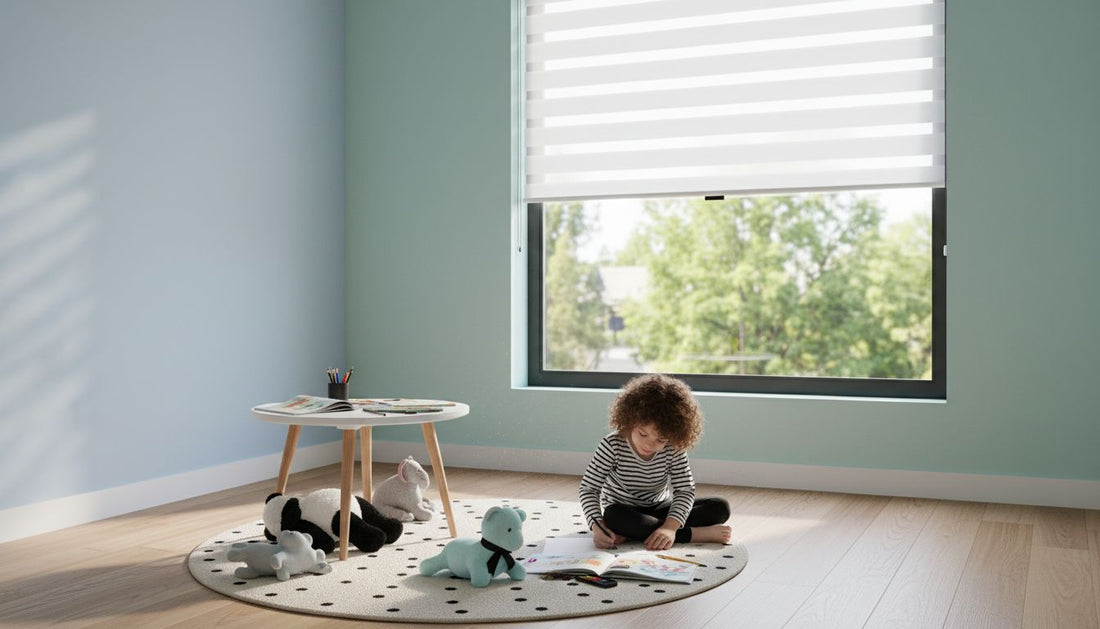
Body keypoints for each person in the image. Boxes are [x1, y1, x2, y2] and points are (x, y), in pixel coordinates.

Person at [579, 373, 732, 551]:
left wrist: (670, 527)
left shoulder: (673, 447)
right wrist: (597, 527)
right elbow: (589, 489)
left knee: (720, 507)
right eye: (643, 434)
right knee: (613, 517)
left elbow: (684, 490)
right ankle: (693, 534)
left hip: (660, 508)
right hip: (624, 511)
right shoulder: (612, 444)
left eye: (661, 440)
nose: (649, 444)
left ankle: (642, 533)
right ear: (629, 420)